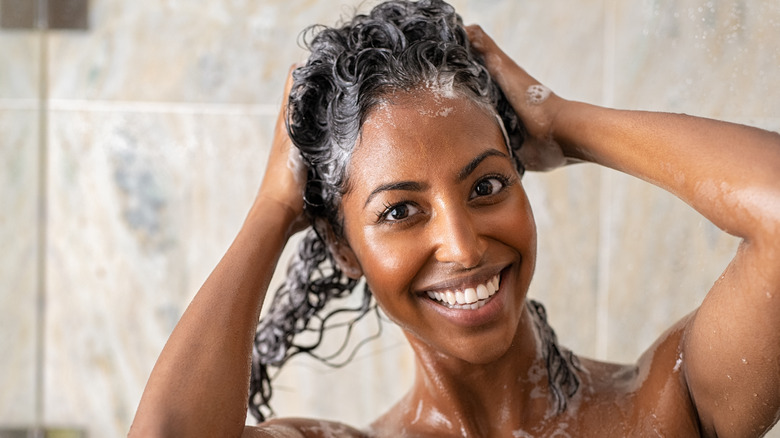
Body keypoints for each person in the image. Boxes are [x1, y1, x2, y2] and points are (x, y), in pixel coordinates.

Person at [128, 0, 780, 436]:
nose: (463, 246)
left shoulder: (658, 409)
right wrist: (271, 211)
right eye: (402, 210)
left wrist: (562, 121)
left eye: (487, 185)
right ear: (345, 249)